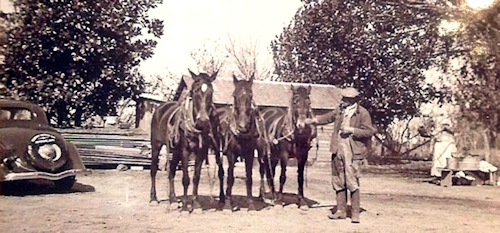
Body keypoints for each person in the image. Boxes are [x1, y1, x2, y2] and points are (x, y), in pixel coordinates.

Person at [306, 87, 375, 223]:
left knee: (352, 181)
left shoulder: (362, 113)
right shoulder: (340, 110)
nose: (342, 100)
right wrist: (313, 120)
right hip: (338, 148)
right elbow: (327, 117)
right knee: (338, 179)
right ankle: (341, 211)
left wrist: (352, 130)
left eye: (345, 99)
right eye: (343, 98)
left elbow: (368, 132)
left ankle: (355, 213)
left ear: (352, 100)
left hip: (353, 150)